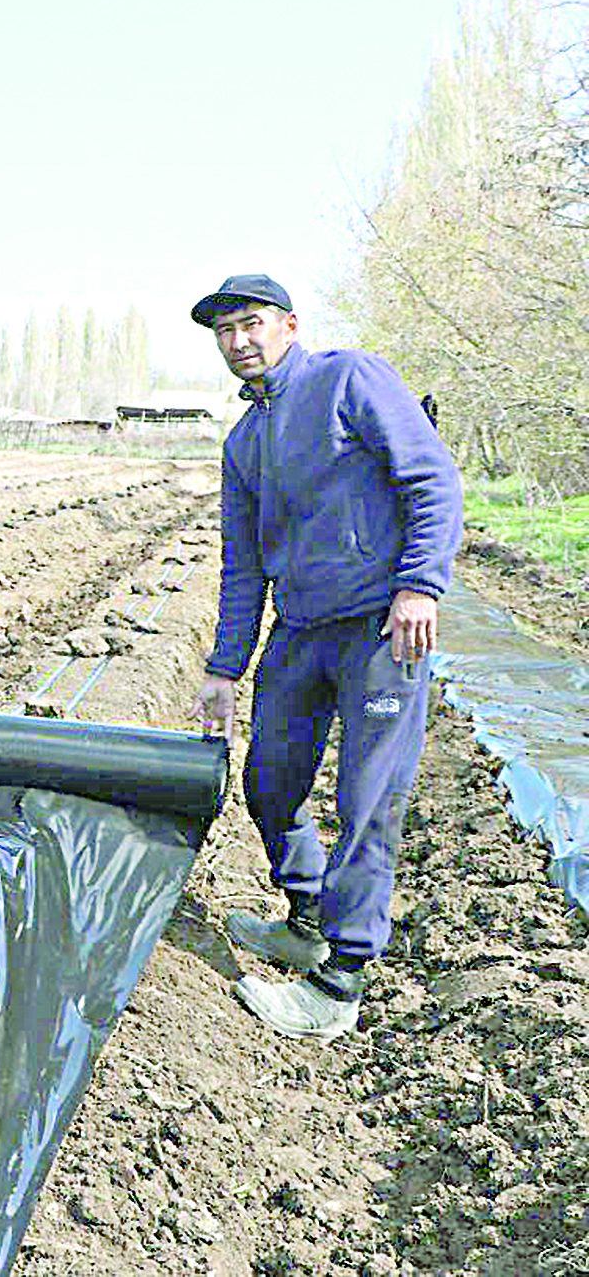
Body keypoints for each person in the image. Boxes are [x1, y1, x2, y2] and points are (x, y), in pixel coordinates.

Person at [188, 274, 462, 1041]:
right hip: (300, 629)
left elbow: (432, 476)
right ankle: (305, 914)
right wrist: (223, 667)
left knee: (367, 799)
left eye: (251, 324)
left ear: (288, 325)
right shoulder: (244, 441)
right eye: (225, 332)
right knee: (269, 781)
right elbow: (243, 562)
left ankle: (339, 981)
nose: (239, 341)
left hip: (382, 626)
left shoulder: (349, 378)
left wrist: (420, 586)